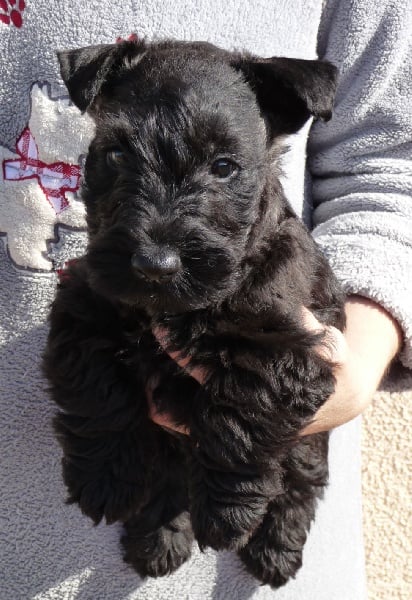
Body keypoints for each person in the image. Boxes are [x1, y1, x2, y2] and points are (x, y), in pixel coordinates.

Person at [0, 0, 410, 598]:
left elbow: (388, 169)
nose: (156, 244)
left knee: (283, 471)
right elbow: (76, 336)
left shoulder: (278, 276)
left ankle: (287, 504)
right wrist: (104, 440)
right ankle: (162, 498)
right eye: (120, 156)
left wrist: (243, 463)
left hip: (267, 485)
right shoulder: (105, 79)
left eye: (221, 168)